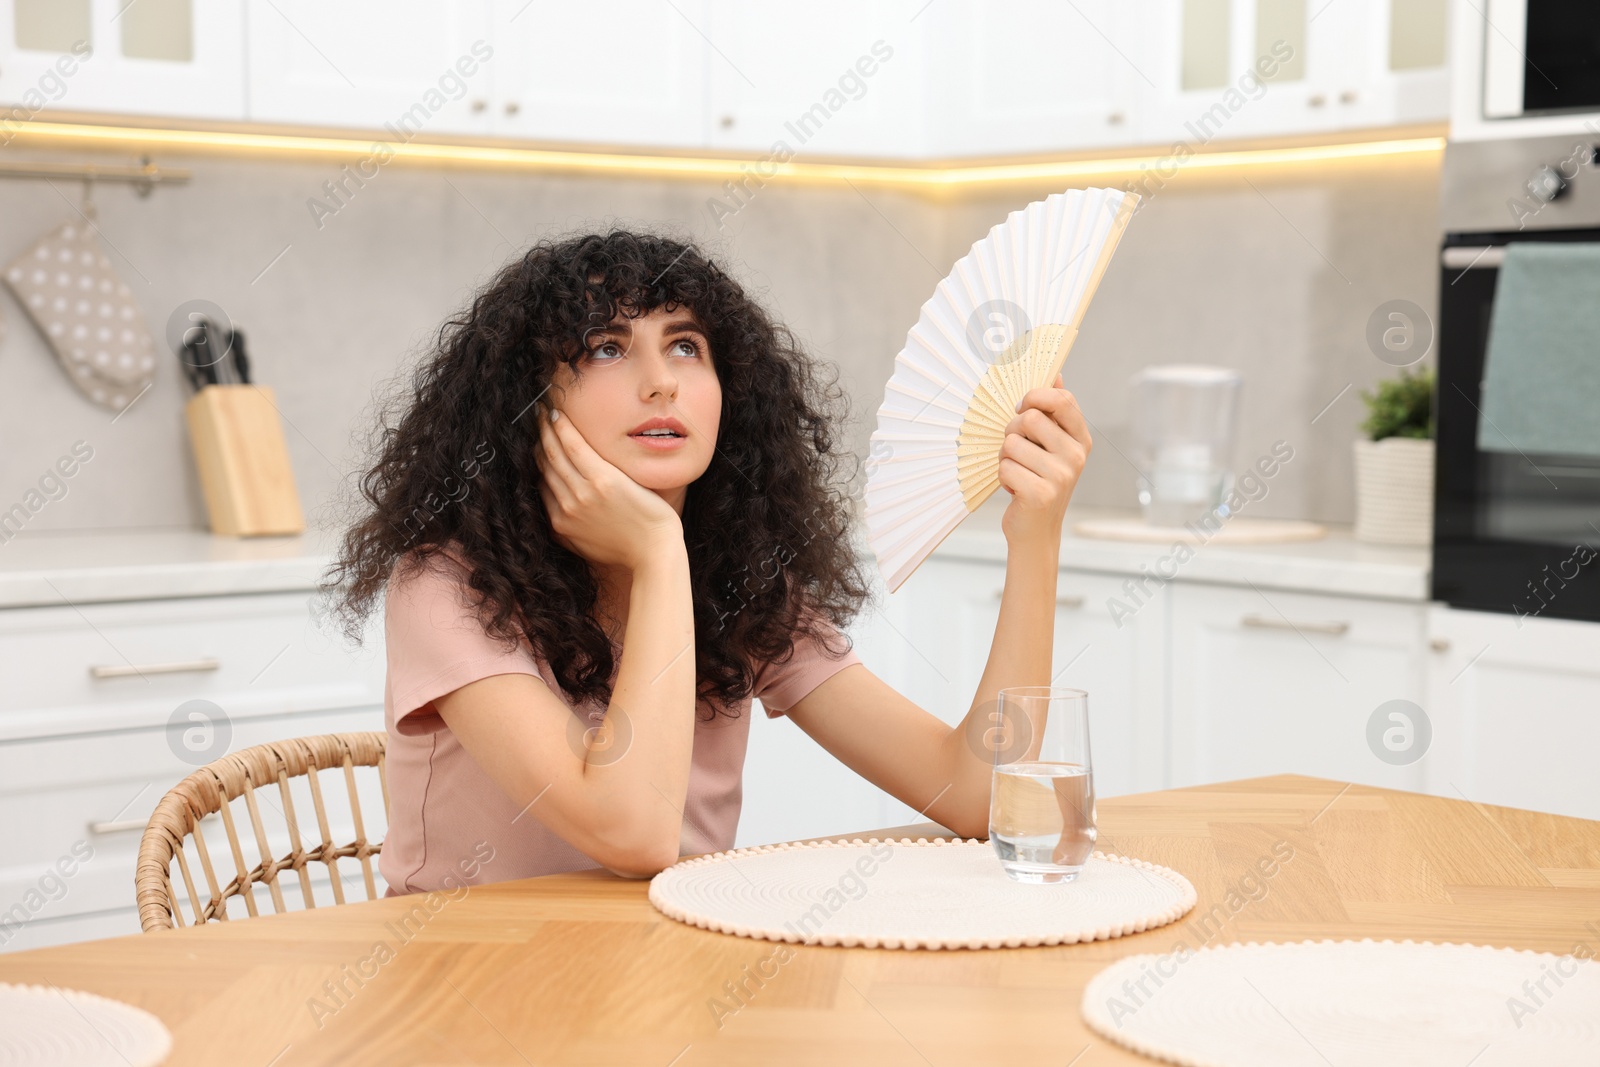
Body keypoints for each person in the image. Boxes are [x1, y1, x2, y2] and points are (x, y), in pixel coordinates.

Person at [323, 229, 1092, 893]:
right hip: (465, 994)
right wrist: (659, 553)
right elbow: (633, 833)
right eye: (606, 348)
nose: (660, 380)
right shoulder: (445, 586)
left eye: (685, 345)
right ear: (529, 402)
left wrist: (1036, 536)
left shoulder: (743, 579)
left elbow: (976, 791)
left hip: (666, 984)